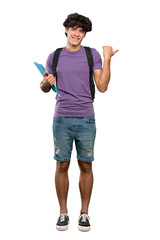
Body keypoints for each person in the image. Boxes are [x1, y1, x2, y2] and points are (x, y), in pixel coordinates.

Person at [41, 13, 118, 232]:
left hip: (86, 118)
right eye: (73, 29)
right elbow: (44, 88)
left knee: (86, 164)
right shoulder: (54, 56)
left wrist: (108, 58)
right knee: (62, 164)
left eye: (81, 30)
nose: (77, 33)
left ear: (84, 34)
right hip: (62, 117)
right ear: (65, 29)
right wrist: (46, 82)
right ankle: (63, 212)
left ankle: (84, 213)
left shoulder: (91, 54)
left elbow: (102, 87)